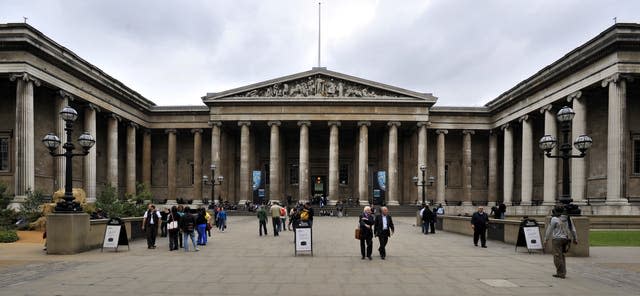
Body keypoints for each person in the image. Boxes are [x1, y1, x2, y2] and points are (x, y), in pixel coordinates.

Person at [544, 206, 578, 279]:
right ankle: (563, 272)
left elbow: (549, 230)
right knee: (562, 256)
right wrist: (575, 238)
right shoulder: (568, 218)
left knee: (557, 256)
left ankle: (561, 273)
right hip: (566, 239)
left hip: (557, 239)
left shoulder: (554, 219)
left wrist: (546, 239)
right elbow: (573, 229)